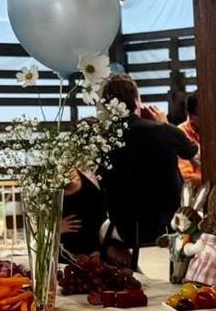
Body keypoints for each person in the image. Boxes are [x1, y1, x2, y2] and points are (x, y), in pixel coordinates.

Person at [98, 75, 197, 265]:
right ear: (137, 100)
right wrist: (165, 125)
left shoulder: (102, 140)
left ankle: (128, 268)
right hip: (167, 225)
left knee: (103, 229)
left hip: (125, 226)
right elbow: (197, 155)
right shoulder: (165, 132)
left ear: (105, 104)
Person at [60, 167, 109, 260]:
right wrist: (55, 229)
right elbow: (37, 228)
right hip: (61, 254)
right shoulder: (48, 189)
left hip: (92, 251)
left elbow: (99, 222)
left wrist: (96, 251)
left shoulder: (93, 184)